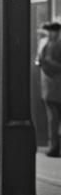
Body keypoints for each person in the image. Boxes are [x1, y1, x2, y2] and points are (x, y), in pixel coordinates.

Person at [37, 21, 61, 156]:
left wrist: (47, 63)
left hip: (55, 86)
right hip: (49, 86)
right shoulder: (46, 44)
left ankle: (54, 147)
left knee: (53, 120)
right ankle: (54, 146)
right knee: (53, 119)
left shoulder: (56, 45)